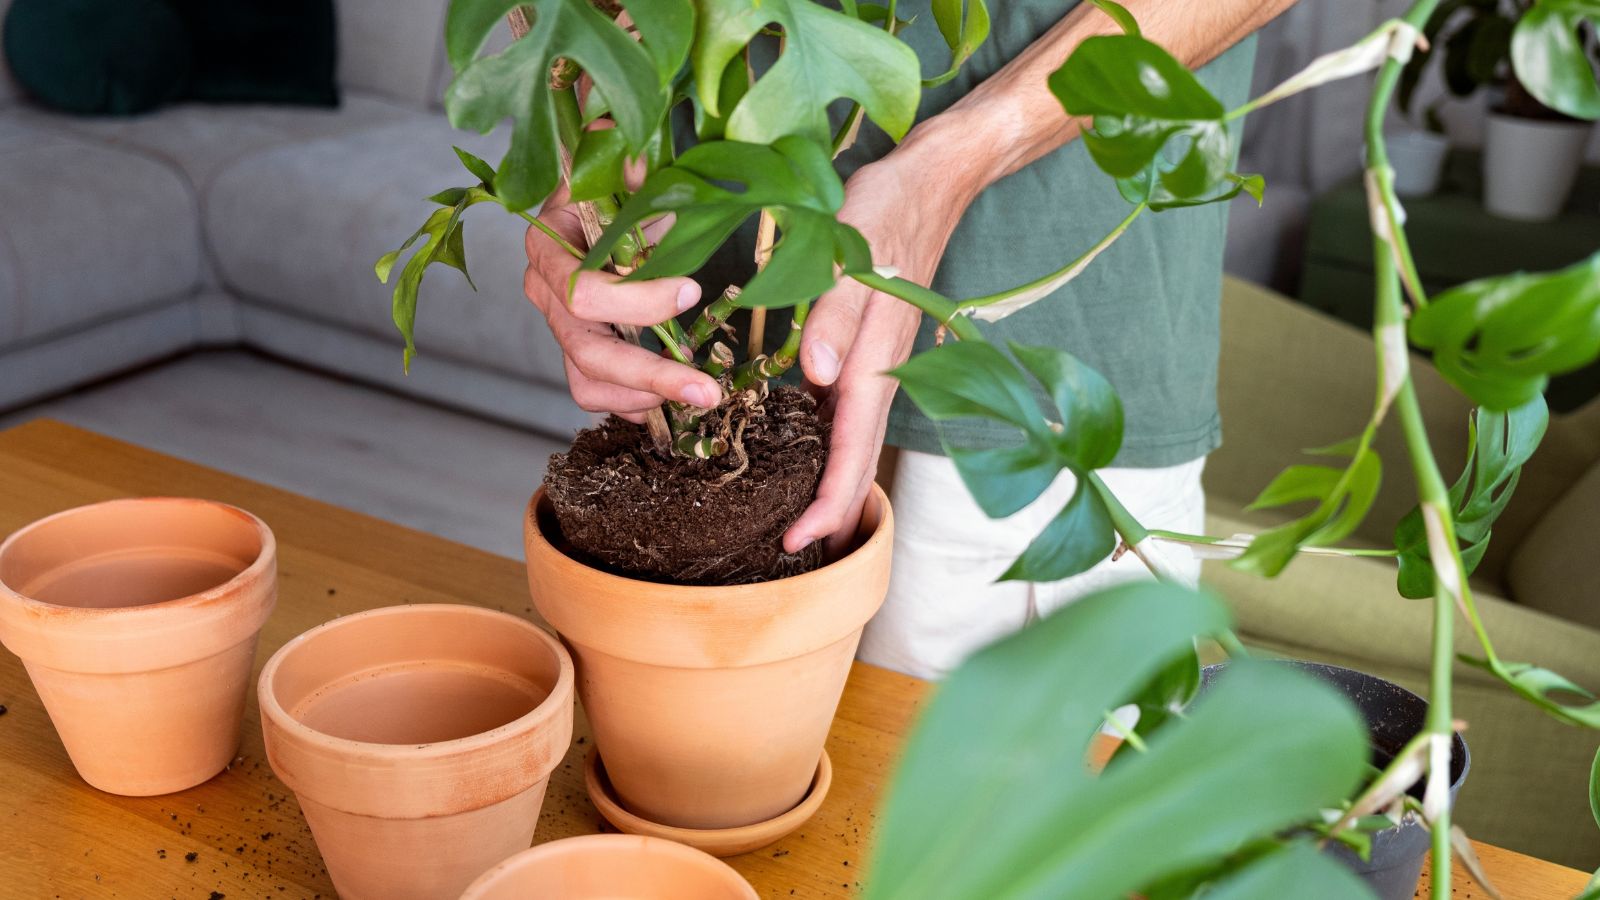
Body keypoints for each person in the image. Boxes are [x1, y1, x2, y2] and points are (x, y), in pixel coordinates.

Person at [523, 0, 1294, 679]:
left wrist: (953, 164)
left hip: (1024, 368)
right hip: (713, 296)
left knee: (978, 817)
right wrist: (605, 141)